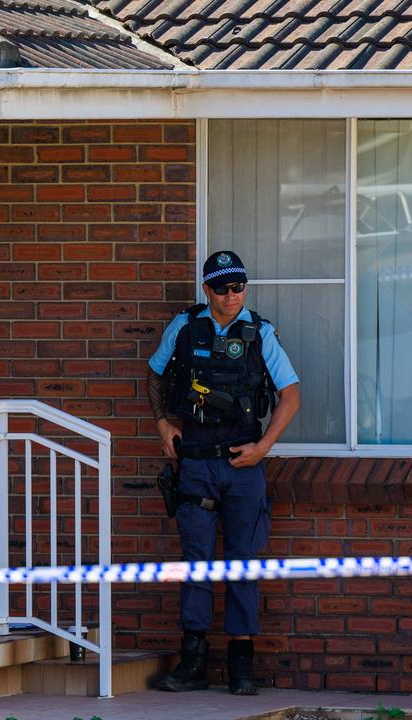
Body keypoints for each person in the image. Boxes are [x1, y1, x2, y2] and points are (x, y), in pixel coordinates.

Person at [146, 250, 301, 695]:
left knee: (242, 565)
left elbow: (290, 394)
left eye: (239, 287)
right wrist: (162, 423)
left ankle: (242, 668)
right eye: (223, 288)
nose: (232, 296)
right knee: (195, 565)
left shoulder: (259, 333)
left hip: (243, 467)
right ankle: (193, 663)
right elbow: (155, 374)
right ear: (206, 289)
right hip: (195, 463)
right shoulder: (185, 326)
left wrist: (264, 447)